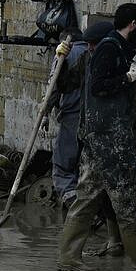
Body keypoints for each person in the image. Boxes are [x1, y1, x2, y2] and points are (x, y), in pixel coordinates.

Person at [56, 3, 136, 271]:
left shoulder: (119, 50)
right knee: (128, 199)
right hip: (112, 140)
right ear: (134, 24)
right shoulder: (109, 50)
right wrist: (126, 77)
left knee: (87, 197)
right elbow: (99, 87)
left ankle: (69, 258)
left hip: (101, 138)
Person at [50, 26, 95, 203]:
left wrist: (45, 112)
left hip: (71, 113)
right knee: (86, 161)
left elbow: (54, 86)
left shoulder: (64, 53)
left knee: (64, 161)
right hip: (93, 116)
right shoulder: (93, 51)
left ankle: (70, 199)